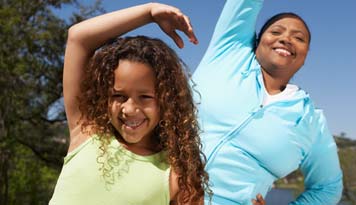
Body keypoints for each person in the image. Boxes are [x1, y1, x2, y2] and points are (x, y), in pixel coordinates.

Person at [49, 3, 213, 205]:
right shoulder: (86, 132)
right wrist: (149, 12)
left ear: (167, 101)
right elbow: (78, 37)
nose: (129, 109)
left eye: (145, 97)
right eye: (119, 96)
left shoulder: (176, 175)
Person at [191, 0, 343, 204]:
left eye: (299, 38)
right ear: (257, 41)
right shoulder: (230, 51)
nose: (286, 39)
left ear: (306, 56)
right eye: (276, 32)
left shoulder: (311, 121)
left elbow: (328, 188)